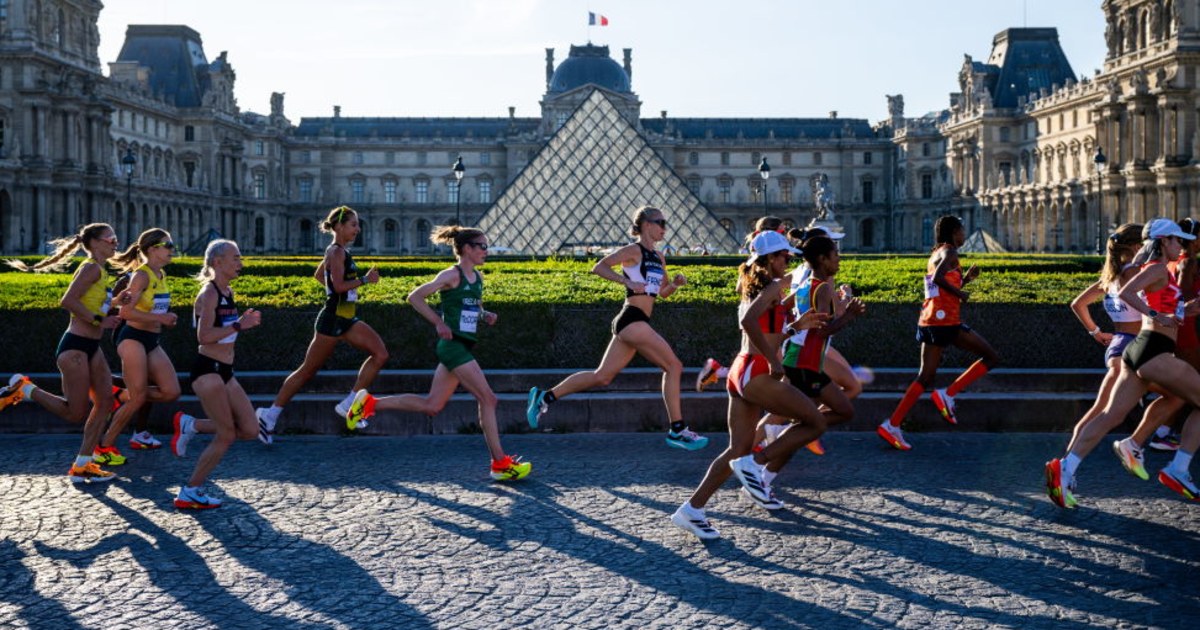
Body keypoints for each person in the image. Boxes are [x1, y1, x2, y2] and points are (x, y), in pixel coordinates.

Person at [670, 231, 831, 539]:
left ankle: (692, 510)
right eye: (784, 256)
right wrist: (773, 360)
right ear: (770, 259)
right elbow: (748, 323)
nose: (788, 261)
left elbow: (766, 328)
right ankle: (757, 464)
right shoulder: (770, 286)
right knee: (815, 421)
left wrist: (794, 327)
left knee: (737, 448)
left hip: (742, 371)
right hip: (754, 370)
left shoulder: (762, 287)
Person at [345, 226, 531, 480]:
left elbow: (470, 307)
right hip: (453, 346)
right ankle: (500, 464)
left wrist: (483, 315)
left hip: (462, 345)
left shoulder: (477, 277)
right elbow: (415, 297)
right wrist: (438, 322)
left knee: (432, 406)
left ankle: (369, 404)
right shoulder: (451, 275)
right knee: (489, 399)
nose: (487, 251)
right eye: (482, 246)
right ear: (467, 249)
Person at [525, 205, 708, 450]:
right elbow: (599, 266)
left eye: (665, 223)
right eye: (661, 222)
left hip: (637, 322)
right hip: (632, 319)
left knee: (602, 377)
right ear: (646, 225)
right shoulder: (634, 250)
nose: (665, 227)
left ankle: (545, 397)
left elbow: (661, 293)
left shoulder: (659, 256)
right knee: (674, 366)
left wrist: (674, 284)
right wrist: (626, 280)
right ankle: (677, 429)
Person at [1046, 218, 1200, 507]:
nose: (1181, 244)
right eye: (1176, 239)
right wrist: (1156, 314)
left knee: (1111, 414)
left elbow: (1156, 302)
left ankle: (1066, 469)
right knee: (1186, 400)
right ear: (1163, 242)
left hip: (1137, 349)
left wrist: (1182, 309)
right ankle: (1178, 467)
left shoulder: (1149, 269)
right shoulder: (1154, 268)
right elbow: (1130, 294)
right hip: (1153, 349)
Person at [1, 224, 122, 483]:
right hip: (76, 346)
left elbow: (91, 303)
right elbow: (68, 301)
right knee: (75, 413)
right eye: (111, 239)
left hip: (91, 348)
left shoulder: (100, 271)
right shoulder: (90, 267)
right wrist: (100, 320)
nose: (115, 243)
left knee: (105, 402)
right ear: (96, 242)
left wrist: (117, 303)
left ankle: (83, 464)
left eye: (116, 239)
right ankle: (23, 389)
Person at [255, 206, 387, 441]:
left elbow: (320, 276)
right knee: (307, 371)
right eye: (353, 224)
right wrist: (365, 280)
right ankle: (269, 414)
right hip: (334, 319)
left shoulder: (338, 252)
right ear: (338, 227)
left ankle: (349, 403)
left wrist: (341, 289)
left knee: (380, 354)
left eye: (357, 224)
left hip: (345, 318)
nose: (357, 229)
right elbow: (337, 286)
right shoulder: (336, 252)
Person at [877, 215, 1000, 450]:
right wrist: (962, 294)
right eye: (962, 231)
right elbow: (937, 278)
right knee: (991, 357)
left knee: (925, 377)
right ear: (954, 232)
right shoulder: (950, 253)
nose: (965, 235)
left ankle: (892, 424)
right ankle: (948, 393)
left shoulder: (936, 253)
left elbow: (941, 283)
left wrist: (965, 281)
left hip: (931, 320)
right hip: (946, 321)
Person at [170, 240, 262, 509]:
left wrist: (239, 323)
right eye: (235, 258)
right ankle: (190, 491)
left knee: (250, 429)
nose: (240, 263)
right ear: (217, 262)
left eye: (240, 258)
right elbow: (204, 337)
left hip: (226, 371)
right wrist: (238, 325)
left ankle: (192, 425)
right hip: (207, 371)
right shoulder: (208, 294)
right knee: (226, 434)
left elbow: (227, 329)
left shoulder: (228, 291)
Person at [94, 228, 183, 466]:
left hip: (151, 339)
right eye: (169, 244)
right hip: (132, 336)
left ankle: (118, 394)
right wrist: (161, 319)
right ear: (153, 249)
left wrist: (163, 319)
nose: (172, 249)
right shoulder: (141, 276)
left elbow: (155, 310)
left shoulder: (161, 275)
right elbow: (126, 312)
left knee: (171, 391)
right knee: (138, 397)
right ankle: (103, 446)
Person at [1060, 224, 1144, 468]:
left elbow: (1078, 304)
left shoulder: (1110, 276)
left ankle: (1064, 465)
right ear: (1137, 246)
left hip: (1118, 345)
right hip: (1133, 348)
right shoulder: (1132, 273)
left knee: (1099, 411)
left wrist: (1095, 332)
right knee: (1106, 414)